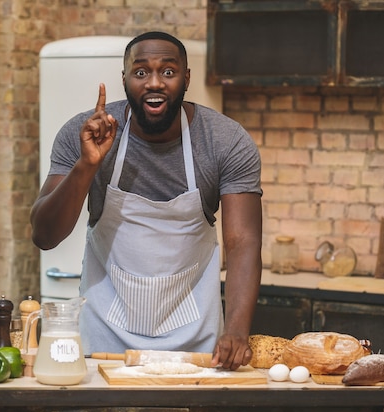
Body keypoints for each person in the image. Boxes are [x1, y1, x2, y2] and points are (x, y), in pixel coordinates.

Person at [31, 31, 262, 370]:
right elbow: (44, 235)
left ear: (186, 78)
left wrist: (238, 331)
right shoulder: (83, 135)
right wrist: (86, 166)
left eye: (168, 71)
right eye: (141, 72)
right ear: (124, 79)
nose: (154, 82)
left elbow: (243, 242)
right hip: (103, 341)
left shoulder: (225, 141)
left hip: (195, 344)